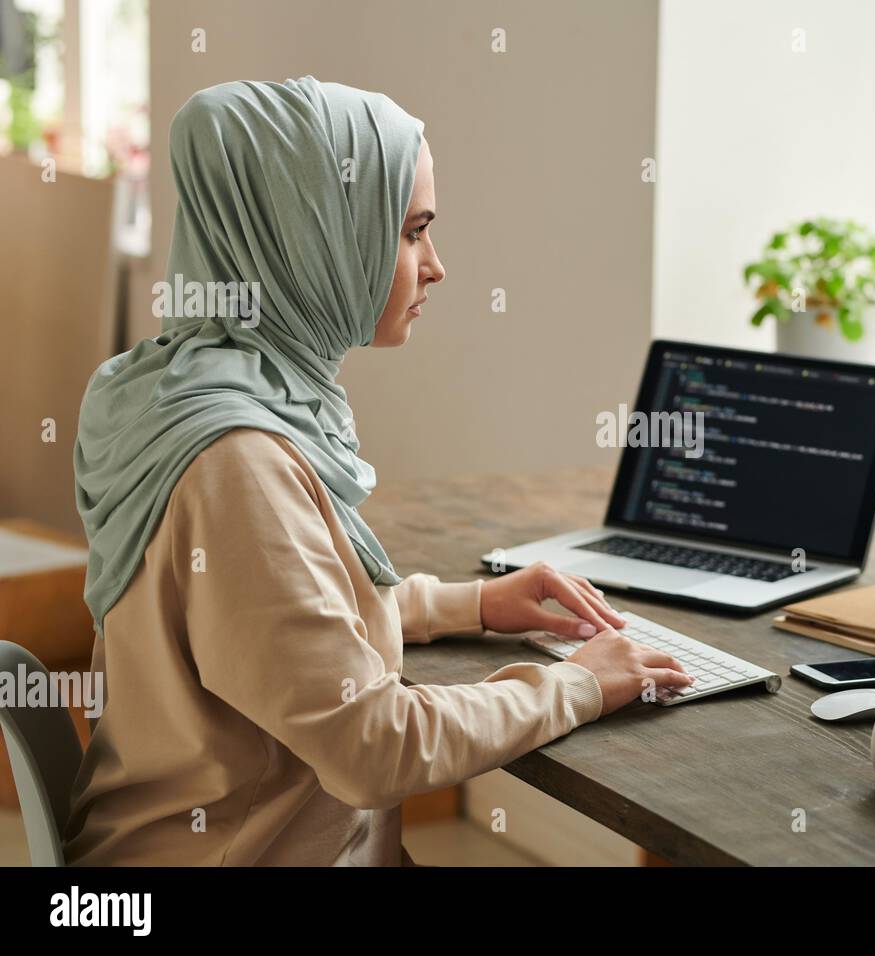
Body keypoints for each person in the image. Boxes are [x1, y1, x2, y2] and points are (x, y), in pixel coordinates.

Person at [63, 76, 692, 866]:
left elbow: (275, 616)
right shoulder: (238, 460)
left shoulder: (184, 386)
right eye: (410, 231)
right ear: (310, 234)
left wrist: (475, 604)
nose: (436, 266)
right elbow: (372, 748)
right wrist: (581, 685)